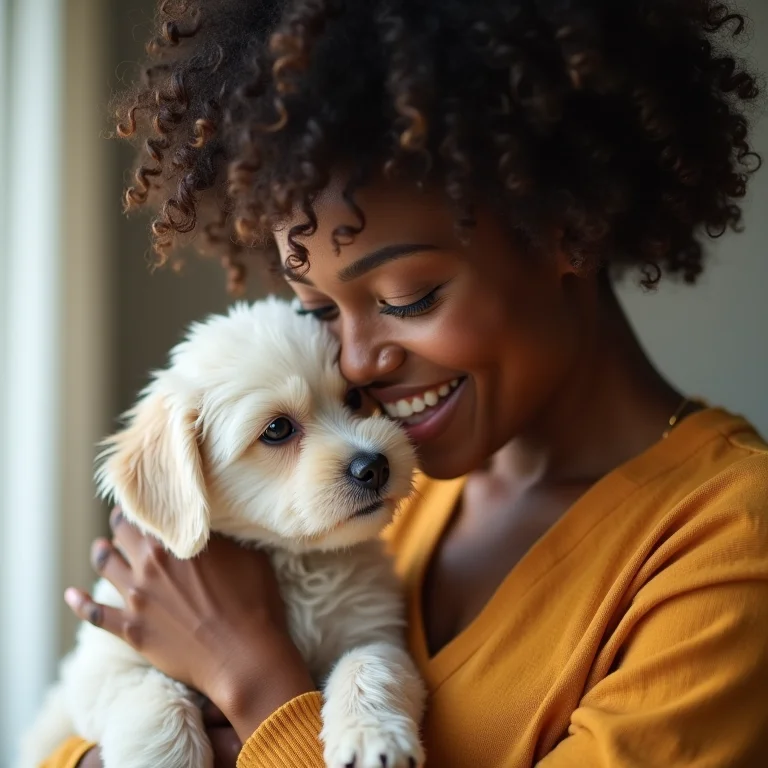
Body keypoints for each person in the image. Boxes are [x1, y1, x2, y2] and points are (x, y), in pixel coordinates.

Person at [41, 0, 768, 766]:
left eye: (408, 298)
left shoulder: (729, 546)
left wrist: (251, 682)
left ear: (572, 227)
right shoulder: (394, 487)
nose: (354, 365)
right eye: (319, 310)